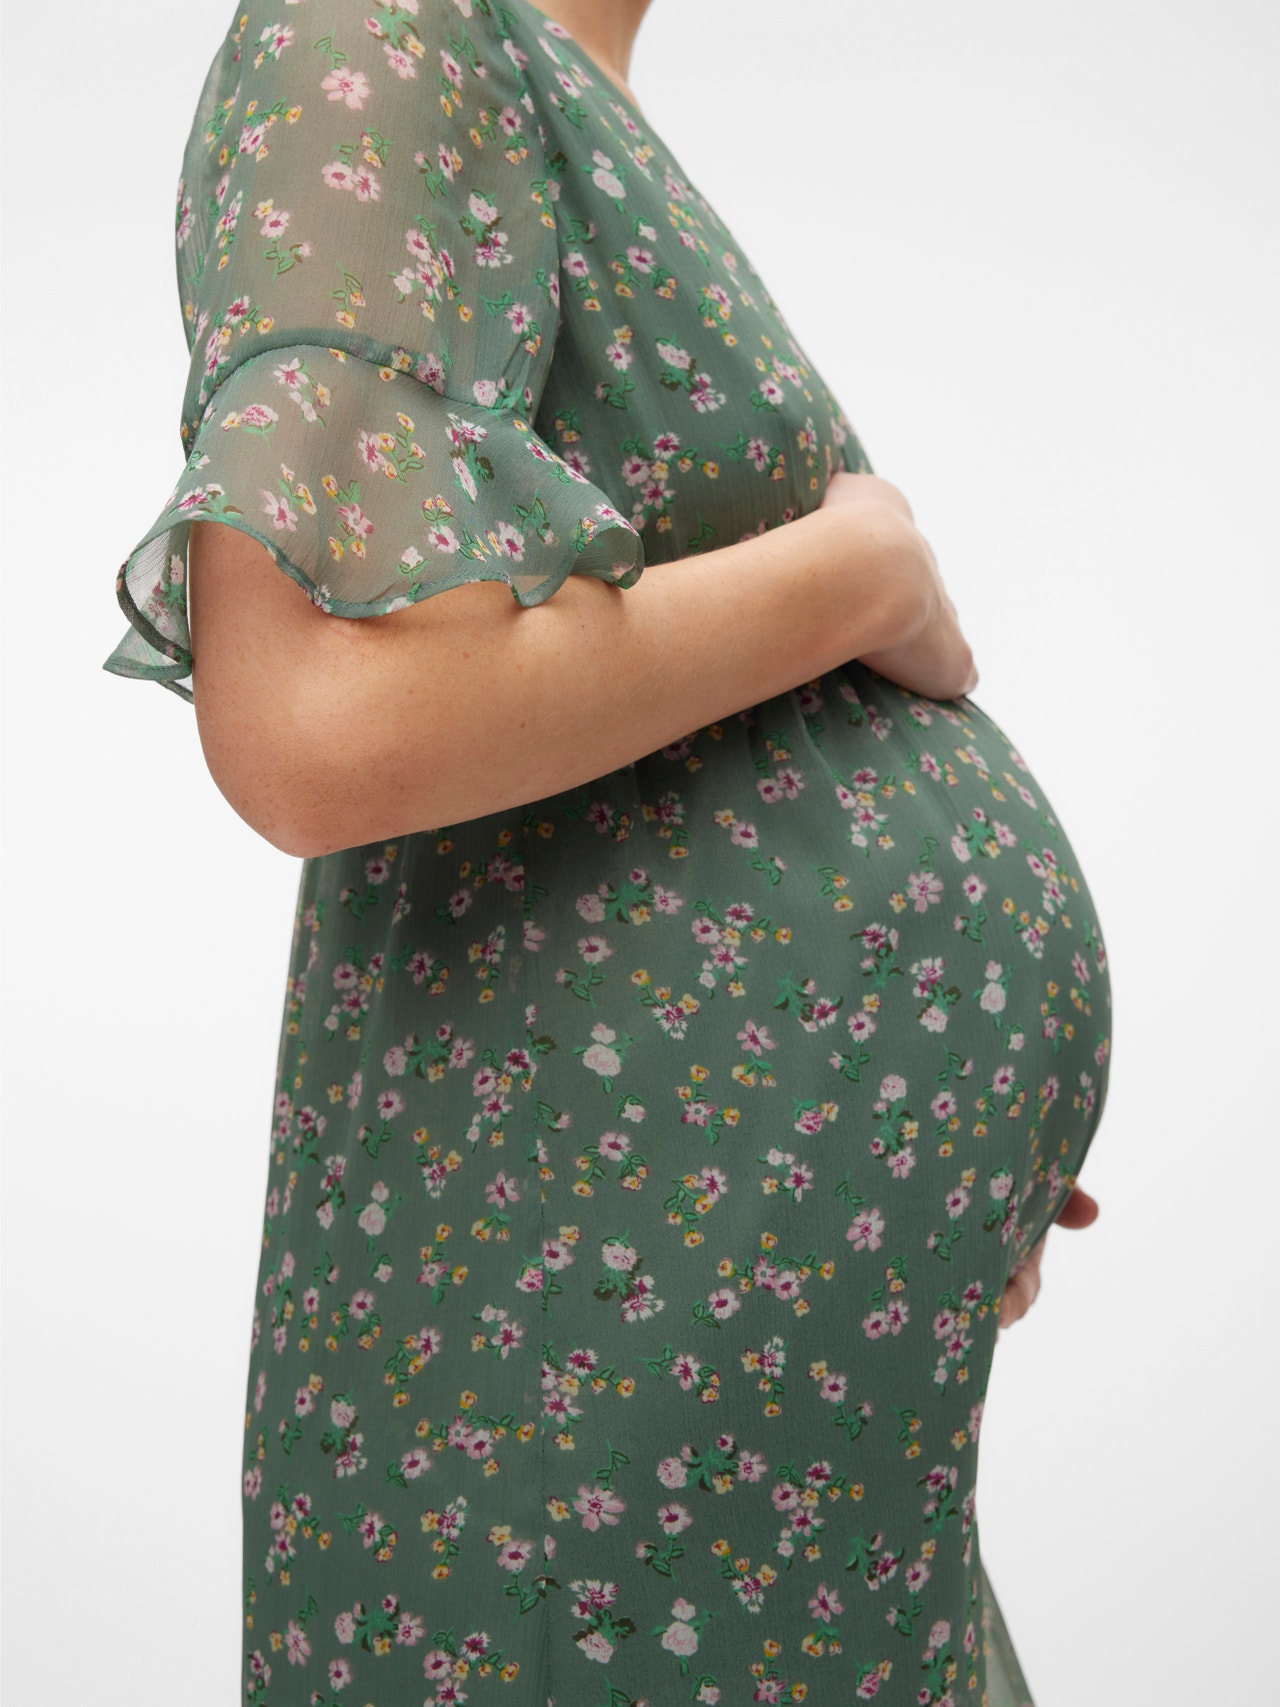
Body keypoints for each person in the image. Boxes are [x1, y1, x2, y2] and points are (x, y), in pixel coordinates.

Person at [105, 1, 1111, 1700]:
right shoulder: (382, 25)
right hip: (581, 1368)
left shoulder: (557, 85)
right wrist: (859, 576)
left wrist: (939, 1126)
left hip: (751, 1343)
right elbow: (315, 722)